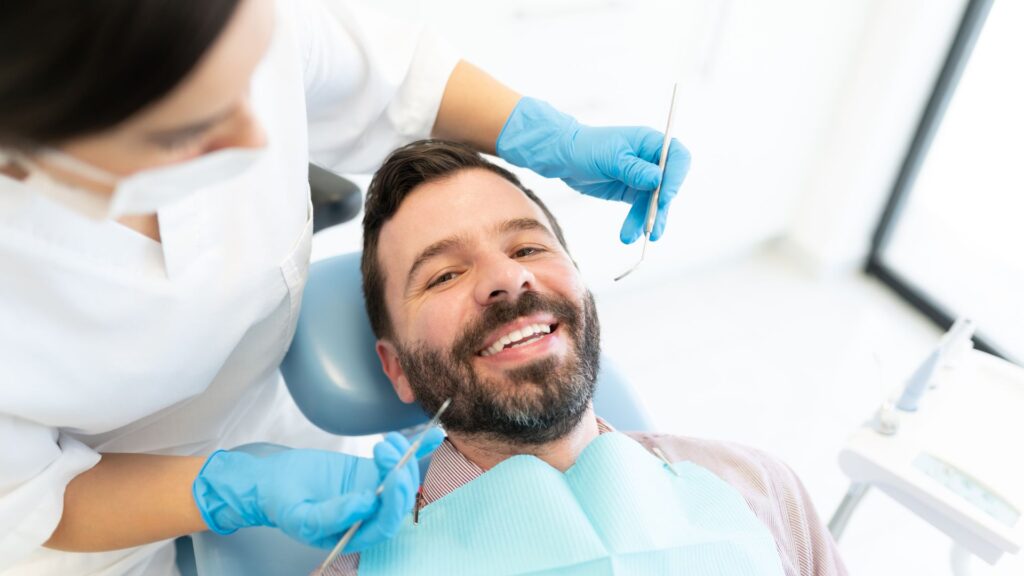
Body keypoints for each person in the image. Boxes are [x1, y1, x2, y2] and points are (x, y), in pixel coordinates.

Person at [0, 1, 691, 574]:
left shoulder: (751, 487)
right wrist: (229, 490)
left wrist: (544, 134)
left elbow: (389, 81)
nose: (260, 139)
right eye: (191, 127)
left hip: (277, 429)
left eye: (528, 244)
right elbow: (26, 497)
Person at [319, 139, 847, 575]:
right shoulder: (365, 567)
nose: (507, 278)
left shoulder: (756, 488)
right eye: (444, 275)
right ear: (398, 369)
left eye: (528, 248)